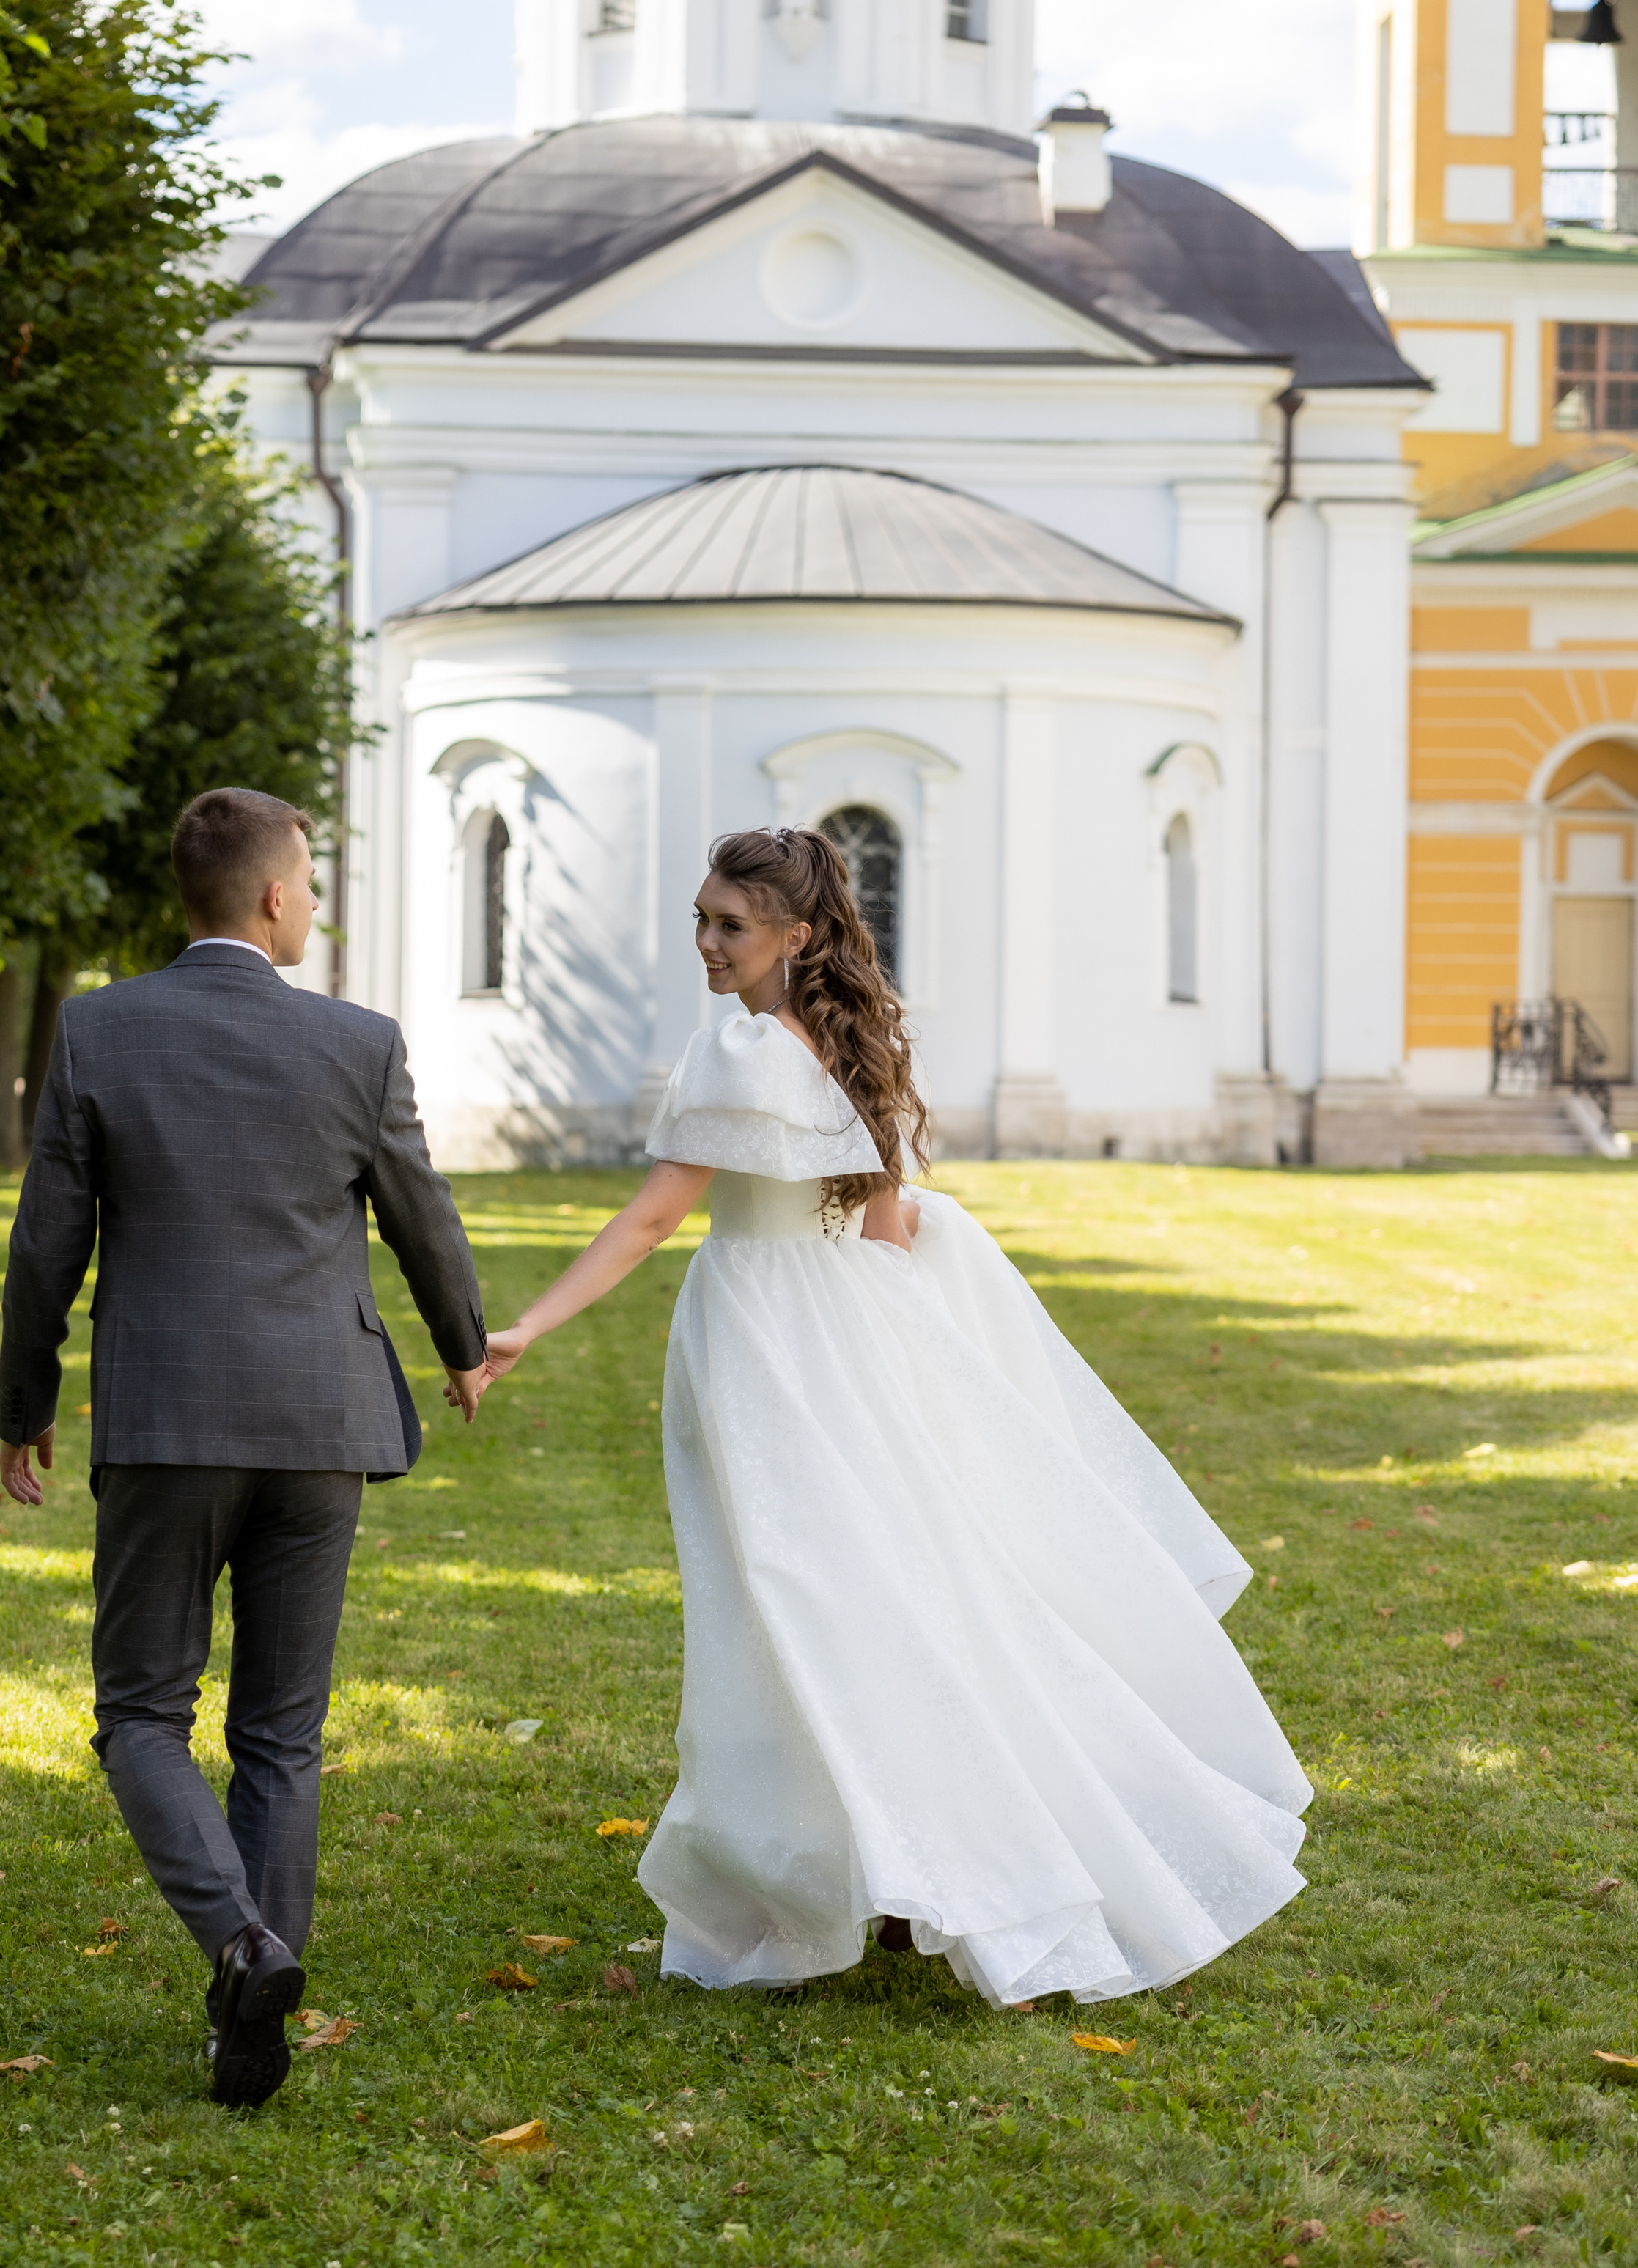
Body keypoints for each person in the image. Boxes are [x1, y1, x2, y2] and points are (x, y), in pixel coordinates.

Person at [484, 826, 1311, 2007]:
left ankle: (893, 1857)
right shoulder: (852, 1041)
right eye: (703, 920)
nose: (707, 945)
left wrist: (529, 1327)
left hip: (763, 1341)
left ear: (795, 936)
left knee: (794, 1596)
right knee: (882, 1586)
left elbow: (650, 1222)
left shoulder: (737, 1051)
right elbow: (885, 1221)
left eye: (731, 924)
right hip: (852, 1331)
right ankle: (905, 1852)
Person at [0, 789, 490, 2105]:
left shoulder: (99, 1027)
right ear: (273, 897)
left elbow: (48, 1239)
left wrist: (22, 1401)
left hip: (165, 1427)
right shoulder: (359, 1043)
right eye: (312, 881)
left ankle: (243, 1951)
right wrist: (462, 1343)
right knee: (282, 1731)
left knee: (143, 1712)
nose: (316, 902)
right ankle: (249, 2011)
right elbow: (419, 1215)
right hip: (322, 1425)